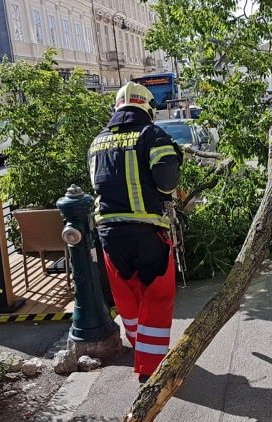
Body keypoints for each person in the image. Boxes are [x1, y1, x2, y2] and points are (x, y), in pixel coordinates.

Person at [88, 82, 184, 383]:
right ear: (148, 108)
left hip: (108, 235)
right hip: (146, 232)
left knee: (128, 298)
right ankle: (152, 369)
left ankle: (142, 350)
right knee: (157, 295)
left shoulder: (97, 142)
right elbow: (168, 183)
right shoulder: (152, 135)